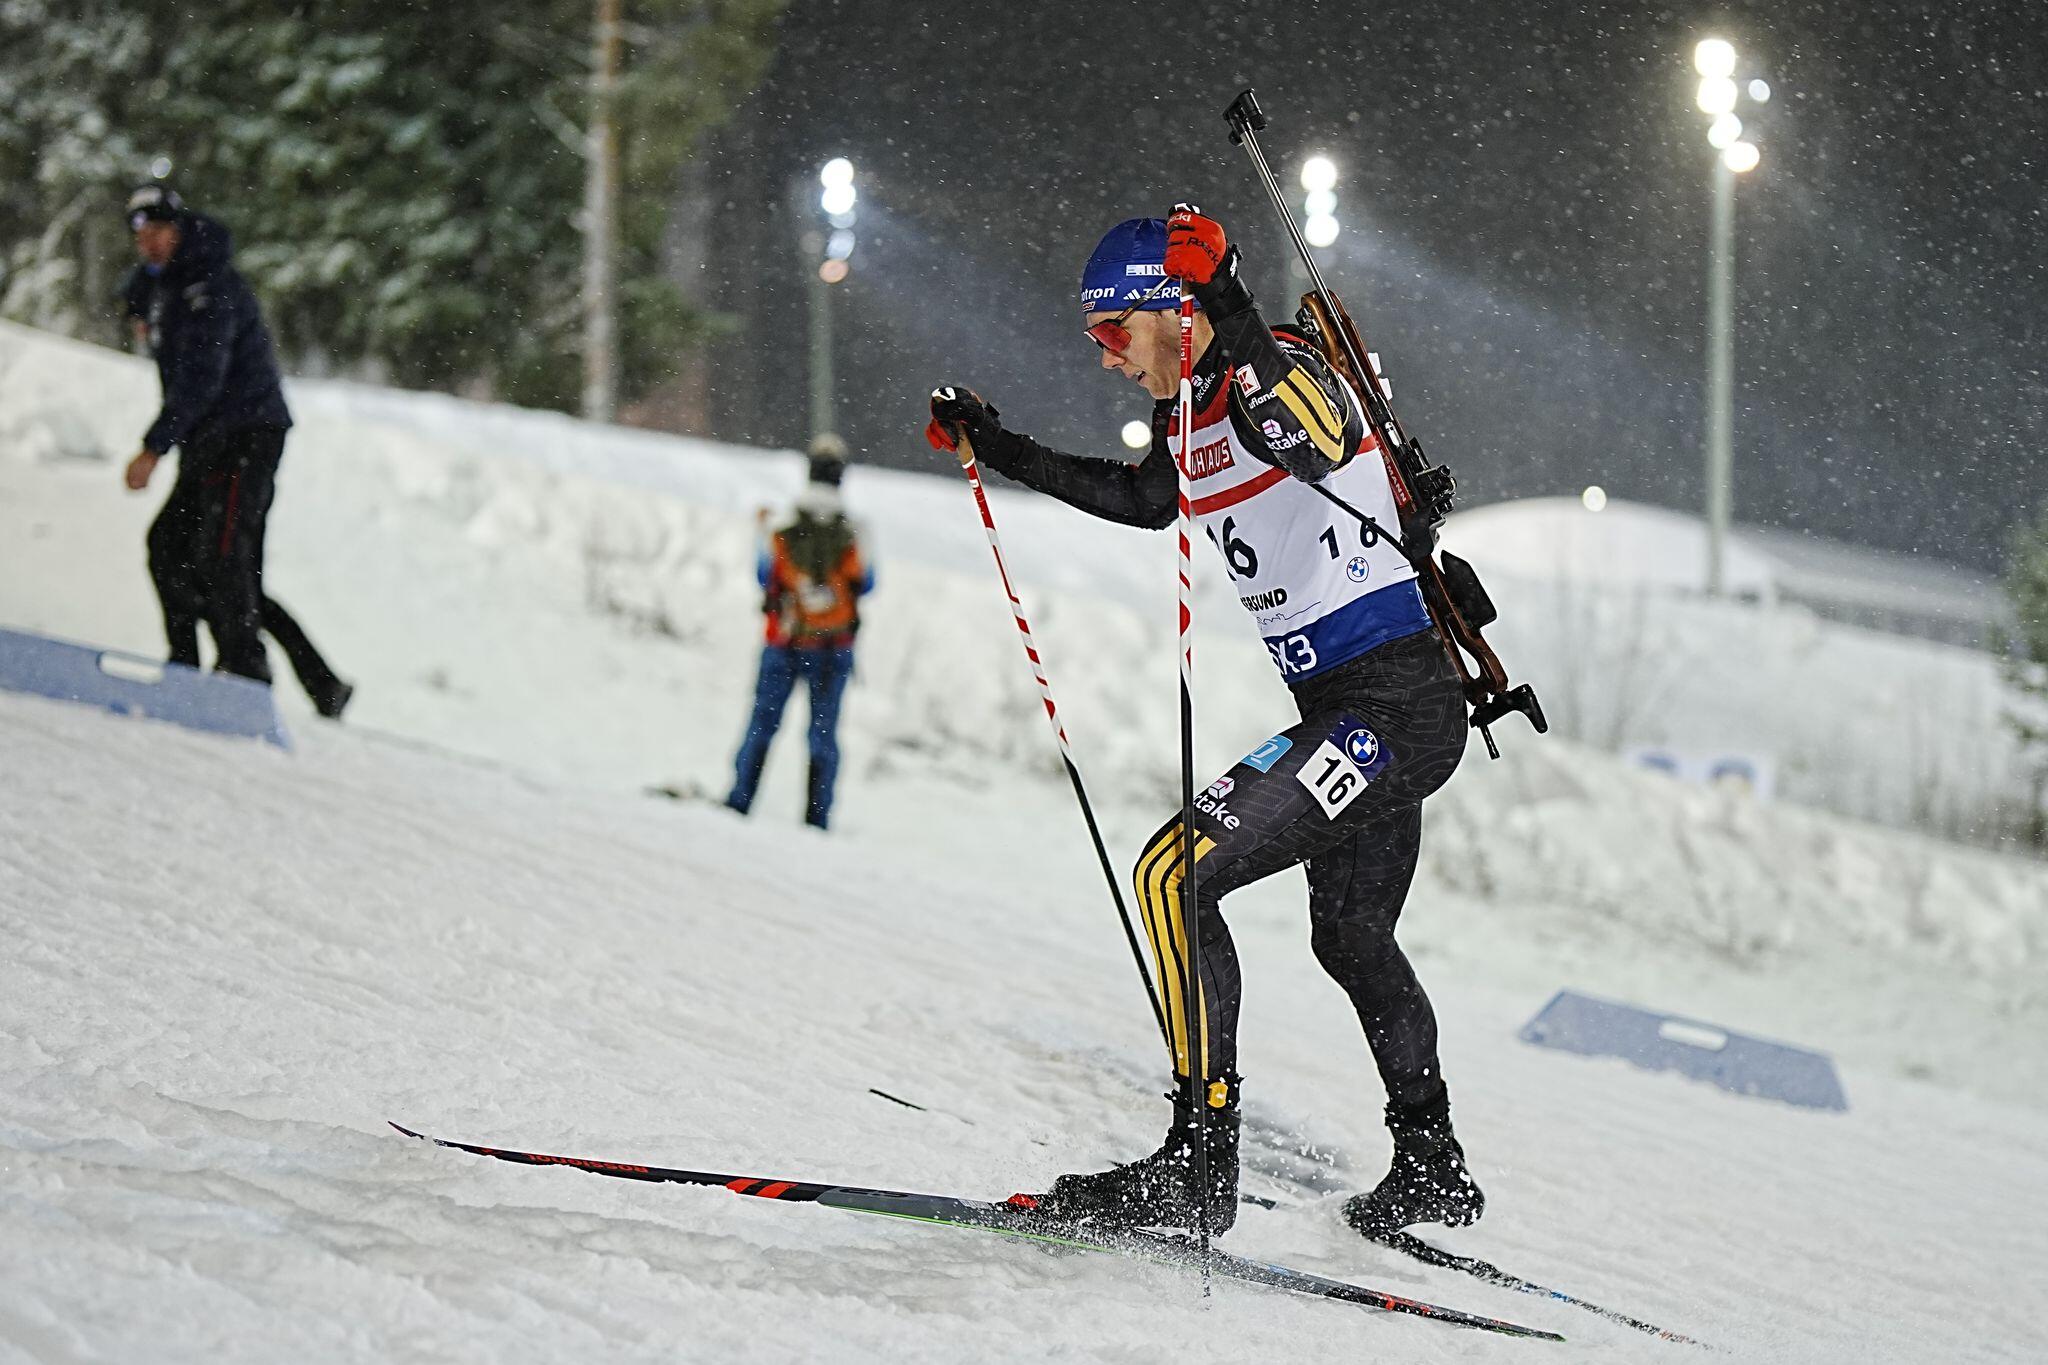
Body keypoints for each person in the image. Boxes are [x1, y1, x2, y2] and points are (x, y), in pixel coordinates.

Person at [925, 208, 1479, 1241]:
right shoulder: (1192, 414)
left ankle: (1197, 1164)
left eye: (1114, 332)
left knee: (1172, 875)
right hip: (1351, 708)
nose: (1106, 358)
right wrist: (997, 446)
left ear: (1172, 310)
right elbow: (1145, 500)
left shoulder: (1281, 372)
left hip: (1394, 705)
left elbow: (1313, 434)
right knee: (1350, 935)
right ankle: (1431, 1164)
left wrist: (1225, 294)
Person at [119, 184, 353, 718]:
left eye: (159, 231)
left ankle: (245, 678)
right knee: (171, 548)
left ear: (179, 230)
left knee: (223, 560)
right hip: (208, 437)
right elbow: (141, 298)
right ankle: (194, 669)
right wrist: (138, 304)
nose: (150, 243)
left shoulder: (210, 285)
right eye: (142, 235)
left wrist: (154, 447)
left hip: (247, 434)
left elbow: (203, 377)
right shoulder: (164, 286)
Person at [725, 437, 873, 830]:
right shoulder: (856, 530)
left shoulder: (783, 523)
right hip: (834, 646)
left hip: (784, 640)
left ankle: (740, 801)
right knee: (823, 735)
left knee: (762, 723)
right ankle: (816, 820)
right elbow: (868, 584)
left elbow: (764, 576)